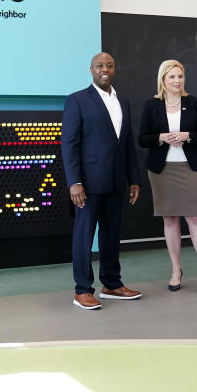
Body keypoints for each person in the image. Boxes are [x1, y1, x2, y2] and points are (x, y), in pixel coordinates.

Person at [61, 52, 142, 309]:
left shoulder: (123, 102)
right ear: (91, 70)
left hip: (117, 183)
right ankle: (82, 290)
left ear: (114, 69)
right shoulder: (77, 100)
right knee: (84, 237)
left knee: (111, 235)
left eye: (109, 65)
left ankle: (111, 284)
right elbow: (69, 144)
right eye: (99, 66)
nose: (104, 69)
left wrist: (134, 179)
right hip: (87, 185)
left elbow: (127, 144)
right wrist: (74, 182)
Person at [138, 60, 197, 294]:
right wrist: (161, 137)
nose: (177, 81)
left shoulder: (194, 103)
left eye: (180, 76)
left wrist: (187, 136)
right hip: (162, 171)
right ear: (163, 79)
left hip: (189, 168)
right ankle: (176, 271)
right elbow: (142, 138)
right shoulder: (151, 105)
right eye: (172, 77)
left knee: (196, 220)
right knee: (170, 220)